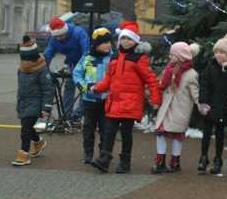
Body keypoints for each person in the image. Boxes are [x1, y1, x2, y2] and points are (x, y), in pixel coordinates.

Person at [88, 22, 161, 173]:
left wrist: (155, 99)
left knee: (126, 133)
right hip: (114, 101)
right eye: (123, 39)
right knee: (109, 131)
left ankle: (125, 161)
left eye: (129, 39)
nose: (125, 42)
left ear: (135, 41)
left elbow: (151, 80)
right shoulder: (114, 57)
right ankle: (104, 159)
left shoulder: (140, 58)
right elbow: (109, 79)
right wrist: (98, 87)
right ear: (119, 40)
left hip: (130, 103)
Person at [151, 42, 201, 174]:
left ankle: (175, 161)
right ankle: (160, 160)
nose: (169, 56)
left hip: (180, 109)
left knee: (177, 135)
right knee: (160, 133)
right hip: (166, 107)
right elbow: (161, 84)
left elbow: (195, 92)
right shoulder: (168, 69)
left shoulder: (191, 74)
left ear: (181, 56)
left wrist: (201, 105)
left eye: (172, 54)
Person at [197, 32, 227, 175]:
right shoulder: (211, 67)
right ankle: (203, 158)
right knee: (207, 132)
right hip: (210, 107)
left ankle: (218, 159)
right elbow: (204, 85)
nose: (218, 55)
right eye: (216, 52)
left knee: (220, 134)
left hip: (225, 109)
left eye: (221, 52)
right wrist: (203, 103)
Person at [72, 27, 115, 164]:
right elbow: (77, 74)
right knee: (88, 127)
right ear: (96, 44)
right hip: (89, 99)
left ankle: (104, 152)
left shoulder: (114, 58)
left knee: (105, 128)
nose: (109, 45)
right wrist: (84, 87)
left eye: (110, 42)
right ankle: (88, 151)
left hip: (107, 100)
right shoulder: (86, 58)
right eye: (105, 42)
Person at [12, 36, 53, 166]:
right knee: (28, 128)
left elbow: (48, 89)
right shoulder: (21, 70)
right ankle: (39, 142)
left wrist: (46, 108)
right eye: (24, 59)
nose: (27, 62)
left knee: (25, 130)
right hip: (23, 103)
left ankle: (24, 153)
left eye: (30, 59)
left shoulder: (42, 71)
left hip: (35, 104)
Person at [44, 17, 90, 125]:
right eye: (56, 36)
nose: (58, 38)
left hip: (86, 64)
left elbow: (86, 50)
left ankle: (78, 114)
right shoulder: (54, 39)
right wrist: (44, 67)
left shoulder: (79, 33)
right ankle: (66, 115)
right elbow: (48, 54)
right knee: (69, 88)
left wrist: (81, 68)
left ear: (65, 31)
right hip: (72, 64)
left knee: (84, 89)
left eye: (60, 35)